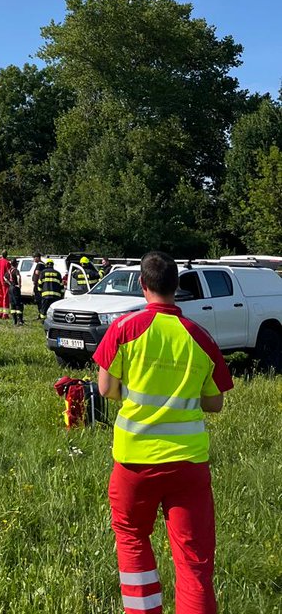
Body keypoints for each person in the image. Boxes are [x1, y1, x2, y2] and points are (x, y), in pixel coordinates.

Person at [93, 250, 233, 614]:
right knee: (194, 561)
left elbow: (106, 389)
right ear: (178, 288)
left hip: (134, 462)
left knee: (133, 540)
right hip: (188, 465)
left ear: (142, 285)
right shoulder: (198, 336)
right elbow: (215, 403)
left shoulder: (125, 329)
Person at [0, 250, 11, 321]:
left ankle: (0, 313)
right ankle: (5, 314)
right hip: (5, 283)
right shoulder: (7, 263)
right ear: (7, 255)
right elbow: (9, 274)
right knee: (5, 298)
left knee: (0, 297)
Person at [7, 258, 23, 325]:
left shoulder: (9, 270)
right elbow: (18, 277)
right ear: (16, 264)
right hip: (15, 288)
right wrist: (19, 285)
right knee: (18, 304)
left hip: (10, 288)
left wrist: (9, 283)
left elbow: (4, 277)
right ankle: (20, 320)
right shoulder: (16, 270)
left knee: (12, 304)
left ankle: (14, 321)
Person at [30, 252, 45, 319]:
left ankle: (40, 314)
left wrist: (35, 282)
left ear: (38, 257)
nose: (33, 259)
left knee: (39, 300)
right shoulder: (42, 264)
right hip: (40, 285)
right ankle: (40, 314)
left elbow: (37, 274)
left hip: (38, 285)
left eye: (34, 257)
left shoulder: (39, 265)